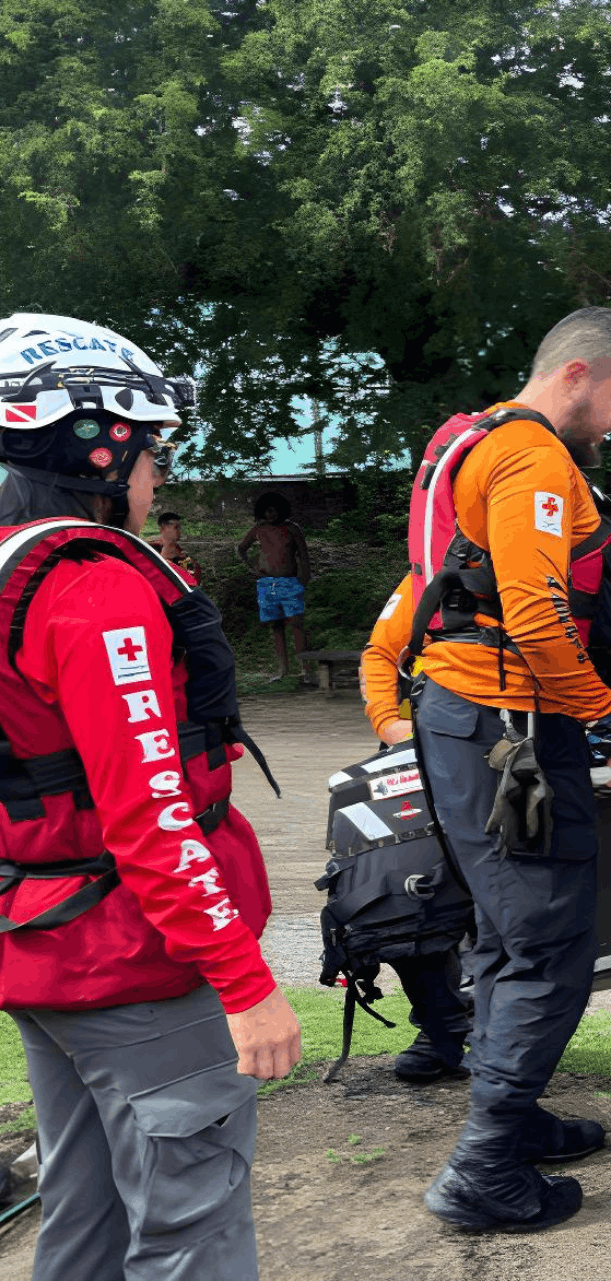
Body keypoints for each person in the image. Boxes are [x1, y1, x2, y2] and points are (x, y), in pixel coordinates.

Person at [0, 313, 301, 1279]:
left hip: (46, 945)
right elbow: (153, 811)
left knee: (81, 1219)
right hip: (128, 957)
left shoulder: (12, 566)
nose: (157, 473)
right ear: (98, 442)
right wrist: (245, 982)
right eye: (149, 446)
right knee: (193, 1231)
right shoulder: (92, 587)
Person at [408, 307, 611, 1234]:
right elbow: (539, 615)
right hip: (510, 730)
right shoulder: (534, 457)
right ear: (579, 373)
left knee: (505, 932)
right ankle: (482, 1166)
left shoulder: (463, 438)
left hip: (463, 716)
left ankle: (512, 1119)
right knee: (548, 944)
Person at [357, 574, 473, 1083]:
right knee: (403, 893)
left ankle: (509, 1036)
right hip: (428, 759)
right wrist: (389, 722)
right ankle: (444, 1026)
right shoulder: (434, 574)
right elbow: (380, 652)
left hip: (539, 756)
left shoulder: (571, 571)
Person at [237, 491, 311, 681]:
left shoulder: (292, 529)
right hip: (266, 584)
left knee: (296, 624)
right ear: (262, 512)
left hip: (290, 582)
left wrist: (304, 577)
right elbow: (241, 549)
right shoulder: (258, 530)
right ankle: (283, 670)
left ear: (282, 510)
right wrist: (253, 568)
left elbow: (303, 556)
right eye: (267, 511)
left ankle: (306, 670)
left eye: (274, 510)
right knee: (275, 626)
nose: (271, 514)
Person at [148, 510, 202, 585]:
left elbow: (194, 582)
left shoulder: (184, 557)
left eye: (179, 527)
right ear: (162, 529)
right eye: (176, 527)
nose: (179, 531)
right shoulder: (149, 548)